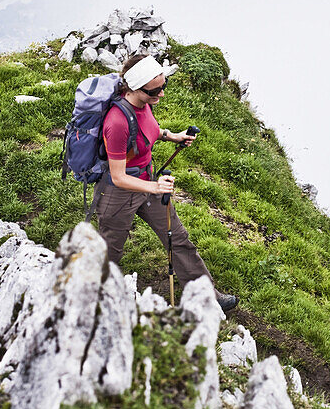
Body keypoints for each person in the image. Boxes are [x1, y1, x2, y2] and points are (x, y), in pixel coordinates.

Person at [93, 53, 238, 314]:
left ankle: (207, 297)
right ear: (136, 88)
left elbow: (149, 130)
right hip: (118, 192)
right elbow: (118, 176)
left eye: (163, 86)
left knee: (178, 239)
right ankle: (94, 302)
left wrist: (173, 136)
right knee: (111, 249)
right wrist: (155, 188)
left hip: (147, 180)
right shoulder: (115, 123)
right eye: (154, 91)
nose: (160, 94)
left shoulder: (144, 104)